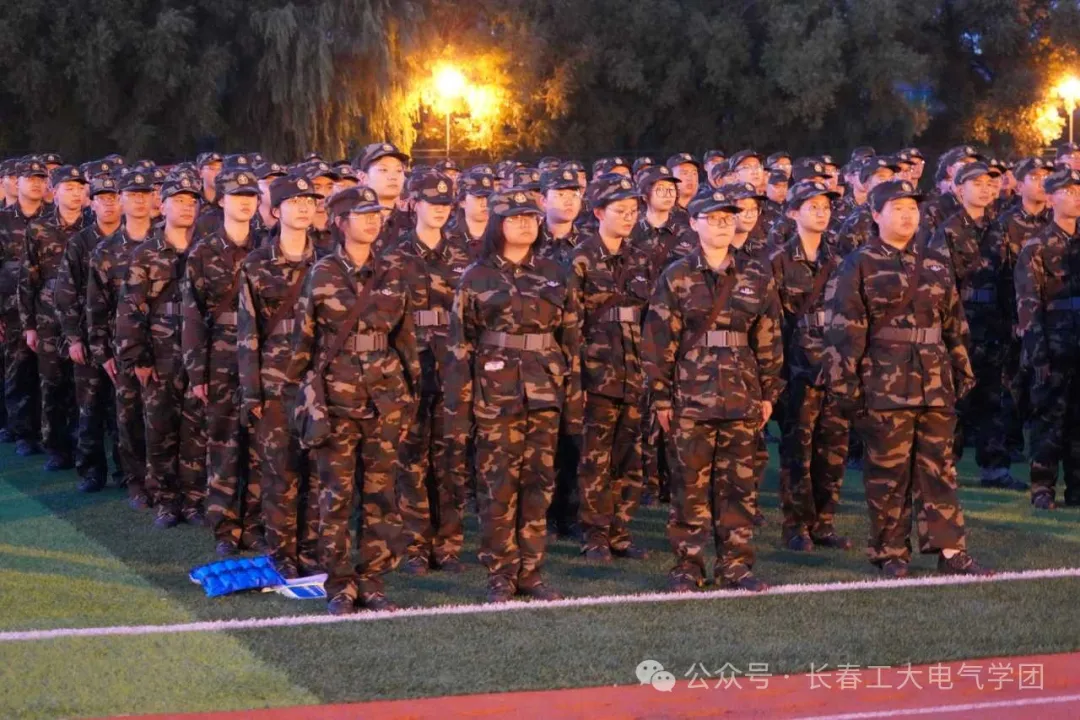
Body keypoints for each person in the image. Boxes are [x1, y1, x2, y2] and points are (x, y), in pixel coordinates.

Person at [824, 179, 989, 578]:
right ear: (876, 214)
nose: (907, 215)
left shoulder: (934, 263)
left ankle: (950, 551)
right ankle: (891, 552)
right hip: (884, 384)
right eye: (897, 208)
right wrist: (847, 386)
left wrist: (961, 370)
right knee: (889, 473)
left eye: (912, 208)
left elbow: (954, 325)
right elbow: (845, 330)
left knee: (939, 469)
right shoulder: (858, 264)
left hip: (934, 384)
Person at [285, 179, 419, 615]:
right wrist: (303, 397)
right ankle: (340, 584)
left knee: (382, 495)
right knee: (335, 497)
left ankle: (373, 580)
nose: (372, 222)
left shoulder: (394, 270)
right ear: (341, 223)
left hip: (386, 399)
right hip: (336, 401)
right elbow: (303, 342)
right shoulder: (321, 272)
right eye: (362, 216)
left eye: (376, 215)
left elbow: (405, 338)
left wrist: (410, 396)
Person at [642, 187, 784, 593]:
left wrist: (769, 393)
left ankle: (736, 565)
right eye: (714, 218)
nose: (723, 224)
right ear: (694, 223)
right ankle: (688, 566)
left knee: (738, 487)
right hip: (690, 399)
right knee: (689, 486)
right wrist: (661, 397)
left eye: (728, 218)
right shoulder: (677, 275)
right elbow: (658, 340)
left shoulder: (755, 275)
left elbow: (769, 338)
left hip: (742, 397)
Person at [444, 190, 582, 604]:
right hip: (495, 395)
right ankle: (501, 573)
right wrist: (459, 410)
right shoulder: (476, 276)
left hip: (544, 393)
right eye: (515, 218)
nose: (525, 224)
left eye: (530, 218)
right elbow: (460, 346)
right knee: (497, 485)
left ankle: (531, 572)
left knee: (538, 483)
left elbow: (571, 340)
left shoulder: (557, 274)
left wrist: (574, 401)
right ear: (497, 225)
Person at [238, 174, 326, 578]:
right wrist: (251, 393)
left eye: (309, 200)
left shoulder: (328, 260)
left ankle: (311, 550)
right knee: (279, 473)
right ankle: (281, 552)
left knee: (318, 472)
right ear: (275, 211)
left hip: (318, 383)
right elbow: (247, 332)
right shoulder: (257, 263)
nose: (304, 207)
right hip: (274, 384)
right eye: (294, 201)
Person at [387, 172, 472, 575]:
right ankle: (415, 545)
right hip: (409, 368)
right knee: (410, 460)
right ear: (413, 204)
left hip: (453, 369)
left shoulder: (464, 254)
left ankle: (448, 545)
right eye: (431, 202)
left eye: (445, 204)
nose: (439, 209)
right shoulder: (394, 255)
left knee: (451, 461)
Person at [115, 175, 207, 529]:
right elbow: (130, 309)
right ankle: (166, 500)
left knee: (196, 431)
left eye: (191, 201)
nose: (186, 207)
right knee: (159, 430)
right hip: (160, 355)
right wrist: (138, 357)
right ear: (162, 206)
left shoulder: (205, 250)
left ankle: (194, 499)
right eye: (178, 201)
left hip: (197, 357)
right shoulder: (146, 253)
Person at [572, 174, 652, 562]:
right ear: (599, 212)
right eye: (620, 210)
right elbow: (569, 324)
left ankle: (620, 530)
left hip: (634, 374)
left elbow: (652, 318)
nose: (628, 217)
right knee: (595, 459)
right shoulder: (580, 259)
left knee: (629, 458)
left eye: (633, 211)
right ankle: (595, 534)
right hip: (596, 375)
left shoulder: (640, 258)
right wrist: (576, 380)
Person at [184, 167, 264, 552]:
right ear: (221, 201)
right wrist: (196, 371)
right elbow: (192, 316)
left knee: (260, 443)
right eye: (237, 196)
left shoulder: (268, 247)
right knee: (223, 441)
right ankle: (225, 527)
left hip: (262, 358)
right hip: (220, 356)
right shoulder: (203, 251)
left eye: (251, 196)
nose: (246, 202)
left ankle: (255, 523)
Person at [929, 161, 1023, 490]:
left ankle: (995, 468)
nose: (985, 189)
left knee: (993, 398)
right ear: (959, 189)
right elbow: (940, 285)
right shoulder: (948, 231)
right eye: (977, 183)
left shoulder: (999, 228)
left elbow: (1010, 278)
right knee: (955, 399)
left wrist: (1013, 321)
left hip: (994, 326)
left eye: (989, 183)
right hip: (961, 326)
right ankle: (945, 468)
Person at [770, 180, 851, 551]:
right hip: (797, 370)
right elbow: (770, 324)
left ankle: (824, 522)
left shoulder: (841, 259)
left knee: (833, 449)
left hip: (835, 369)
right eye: (812, 206)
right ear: (793, 212)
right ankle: (796, 525)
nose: (821, 212)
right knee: (797, 452)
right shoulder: (777, 261)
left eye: (825, 206)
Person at [87, 171, 155, 507]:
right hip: (125, 346)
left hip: (168, 344)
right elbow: (96, 306)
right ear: (121, 200)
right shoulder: (105, 250)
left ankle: (170, 484)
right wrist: (102, 352)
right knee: (128, 418)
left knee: (169, 419)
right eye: (132, 194)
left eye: (145, 194)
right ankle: (136, 481)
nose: (140, 200)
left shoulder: (169, 242)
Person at [1015, 168, 1080, 510]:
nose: (1076, 198)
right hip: (1053, 346)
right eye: (1067, 192)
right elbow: (1028, 306)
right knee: (1049, 419)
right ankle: (1042, 487)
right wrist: (1038, 356)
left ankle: (1077, 488)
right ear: (1051, 198)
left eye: (1079, 191)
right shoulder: (1036, 246)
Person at [55, 174, 123, 492]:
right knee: (90, 407)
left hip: (124, 338)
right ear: (91, 204)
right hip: (89, 335)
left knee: (123, 411)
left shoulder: (135, 239)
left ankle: (126, 471)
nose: (108, 204)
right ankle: (92, 471)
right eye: (102, 198)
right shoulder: (80, 242)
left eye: (113, 198)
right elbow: (66, 292)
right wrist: (73, 338)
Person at [19, 165, 89, 470]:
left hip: (84, 318)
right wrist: (29, 325)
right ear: (54, 191)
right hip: (48, 319)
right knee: (52, 384)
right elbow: (27, 279)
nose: (75, 193)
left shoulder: (93, 227)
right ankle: (56, 448)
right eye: (68, 188)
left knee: (83, 387)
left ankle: (83, 447)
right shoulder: (38, 229)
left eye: (79, 188)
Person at [0, 159, 49, 457]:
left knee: (50, 374)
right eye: (29, 178)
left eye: (40, 178)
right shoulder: (3, 220)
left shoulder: (53, 218)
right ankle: (22, 432)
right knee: (17, 371)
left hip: (49, 311)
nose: (35, 183)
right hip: (12, 309)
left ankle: (50, 432)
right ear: (16, 182)